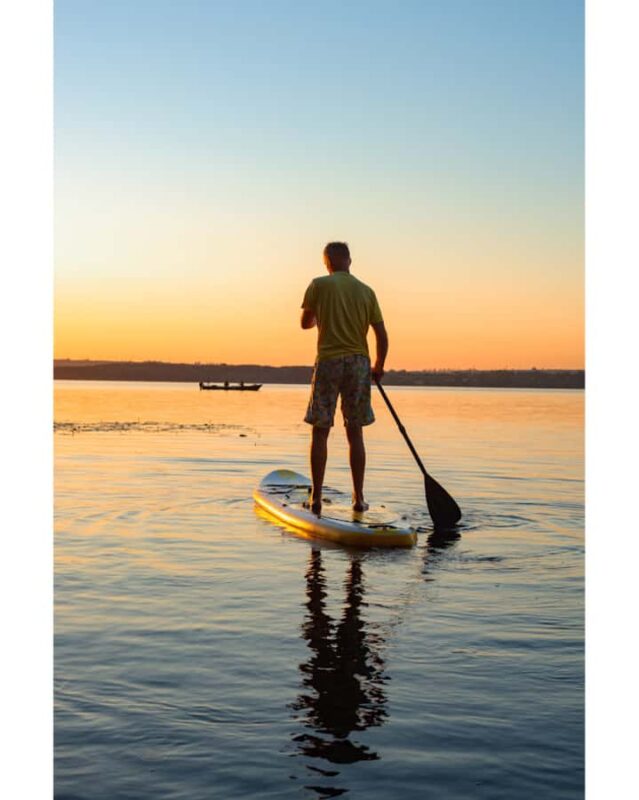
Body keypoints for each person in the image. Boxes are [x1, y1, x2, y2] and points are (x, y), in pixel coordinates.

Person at [300, 242, 388, 515]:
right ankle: (358, 498)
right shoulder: (367, 291)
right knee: (355, 431)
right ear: (350, 261)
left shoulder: (318, 285)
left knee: (320, 430)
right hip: (359, 364)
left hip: (329, 361)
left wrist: (320, 316)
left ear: (327, 263)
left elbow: (305, 323)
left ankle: (315, 498)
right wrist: (378, 366)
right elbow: (382, 336)